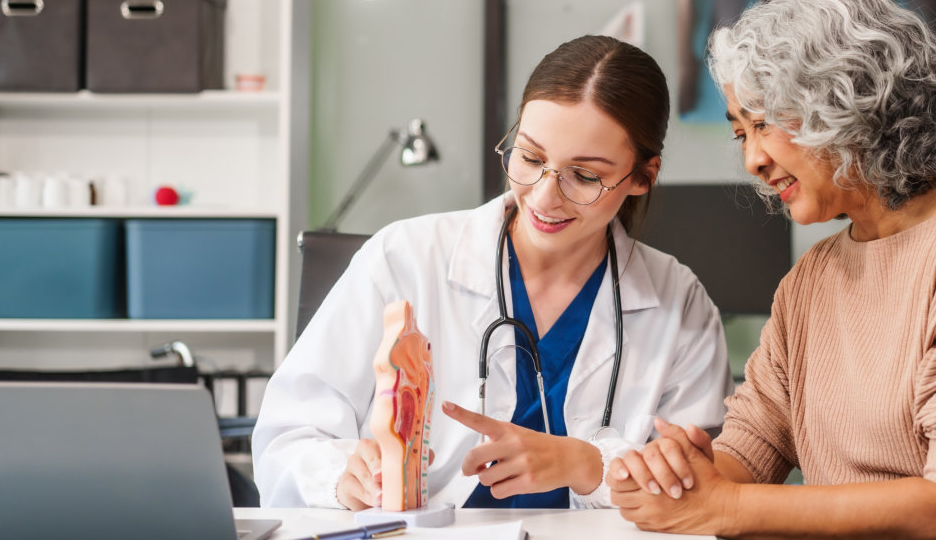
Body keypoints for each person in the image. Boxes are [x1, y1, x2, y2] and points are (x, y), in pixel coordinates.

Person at [608, 0, 936, 538]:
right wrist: (681, 478)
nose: (752, 159)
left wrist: (720, 507)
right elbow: (751, 448)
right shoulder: (812, 278)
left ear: (844, 101)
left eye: (764, 123)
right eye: (740, 133)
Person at [253, 35, 730, 511]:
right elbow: (287, 437)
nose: (544, 197)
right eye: (530, 157)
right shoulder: (403, 259)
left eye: (583, 176)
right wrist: (341, 477)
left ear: (643, 177)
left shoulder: (680, 303)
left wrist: (588, 465)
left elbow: (700, 481)